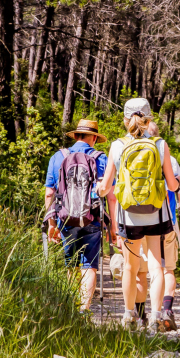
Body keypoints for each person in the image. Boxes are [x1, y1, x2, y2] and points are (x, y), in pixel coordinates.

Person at [97, 98, 179, 330]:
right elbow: (172, 186)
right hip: (156, 214)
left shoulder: (117, 146)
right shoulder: (160, 145)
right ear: (149, 118)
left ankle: (129, 315)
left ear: (125, 120)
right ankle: (155, 316)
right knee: (156, 267)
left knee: (131, 268)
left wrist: (99, 189)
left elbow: (106, 187)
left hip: (128, 216)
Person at [43, 119, 110, 315]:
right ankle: (84, 311)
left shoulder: (58, 157)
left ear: (76, 136)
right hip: (93, 219)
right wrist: (112, 227)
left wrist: (51, 224)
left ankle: (70, 308)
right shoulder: (101, 158)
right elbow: (110, 195)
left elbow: (49, 193)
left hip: (65, 218)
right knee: (89, 266)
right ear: (95, 138)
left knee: (70, 263)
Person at [131, 120, 180, 332]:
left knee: (140, 271)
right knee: (167, 269)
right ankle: (165, 312)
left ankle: (138, 317)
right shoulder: (170, 159)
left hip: (134, 221)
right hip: (165, 221)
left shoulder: (129, 152)